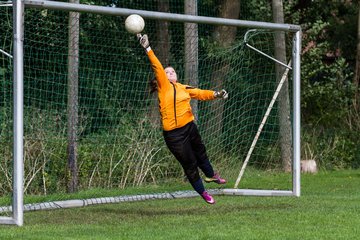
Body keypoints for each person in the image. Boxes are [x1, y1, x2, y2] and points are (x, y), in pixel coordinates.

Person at [138, 34, 228, 204]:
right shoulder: (164, 87)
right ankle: (203, 192)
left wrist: (216, 94)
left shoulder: (183, 88)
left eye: (172, 71)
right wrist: (148, 48)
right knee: (190, 164)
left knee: (201, 153)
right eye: (167, 72)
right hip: (174, 135)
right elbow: (157, 66)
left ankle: (210, 175)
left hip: (189, 127)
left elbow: (200, 93)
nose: (170, 73)